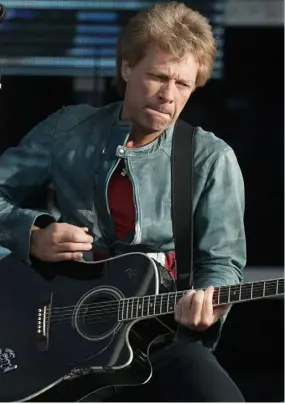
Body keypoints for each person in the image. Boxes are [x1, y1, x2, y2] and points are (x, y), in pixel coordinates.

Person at [0, 1, 246, 402]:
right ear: (128, 67)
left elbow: (222, 260)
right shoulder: (68, 128)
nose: (168, 96)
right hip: (62, 333)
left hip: (161, 337)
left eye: (182, 84)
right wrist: (32, 233)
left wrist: (210, 299)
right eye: (157, 77)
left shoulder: (210, 158)